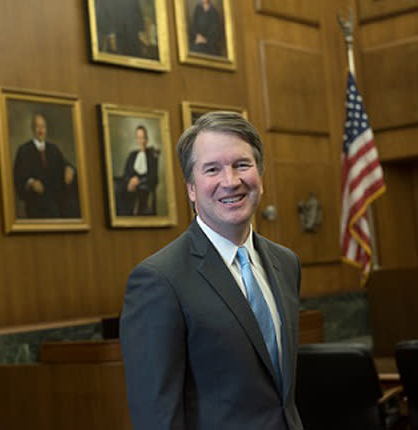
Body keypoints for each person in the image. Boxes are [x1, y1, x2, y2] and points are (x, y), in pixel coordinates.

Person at [120, 111, 303, 429]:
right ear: (191, 188)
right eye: (212, 169)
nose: (231, 181)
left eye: (241, 165)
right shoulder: (159, 280)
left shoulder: (286, 263)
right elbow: (156, 417)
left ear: (260, 173)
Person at [13, 113, 79, 218]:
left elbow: (65, 164)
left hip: (55, 202)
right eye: (37, 126)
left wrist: (69, 169)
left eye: (43, 127)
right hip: (35, 203)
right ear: (32, 129)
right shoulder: (24, 150)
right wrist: (31, 182)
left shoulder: (53, 149)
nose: (40, 130)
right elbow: (18, 175)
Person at [118, 125, 159, 216]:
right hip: (130, 183)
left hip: (143, 184)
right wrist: (130, 181)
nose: (142, 141)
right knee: (118, 190)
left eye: (143, 138)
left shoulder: (151, 156)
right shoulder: (132, 155)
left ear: (146, 139)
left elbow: (153, 176)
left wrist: (138, 181)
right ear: (137, 139)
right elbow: (126, 172)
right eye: (139, 138)